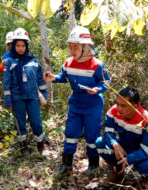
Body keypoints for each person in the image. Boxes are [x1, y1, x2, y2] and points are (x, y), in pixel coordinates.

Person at [44, 26, 111, 177]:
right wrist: (54, 78)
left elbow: (106, 82)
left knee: (92, 136)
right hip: (75, 103)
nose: (72, 50)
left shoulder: (97, 65)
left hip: (93, 104)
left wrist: (97, 89)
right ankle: (66, 165)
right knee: (70, 133)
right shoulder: (68, 62)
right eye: (70, 47)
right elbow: (64, 77)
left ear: (85, 47)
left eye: (76, 47)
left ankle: (93, 165)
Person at [95, 87, 148, 186]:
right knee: (100, 143)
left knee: (146, 166)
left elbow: (147, 149)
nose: (119, 108)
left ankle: (147, 177)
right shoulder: (113, 112)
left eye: (123, 105)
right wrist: (114, 144)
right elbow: (107, 133)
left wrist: (129, 158)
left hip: (140, 150)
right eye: (117, 104)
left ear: (135, 106)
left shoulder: (146, 120)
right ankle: (117, 174)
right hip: (123, 145)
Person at [3, 28, 48, 157]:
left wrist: (43, 95)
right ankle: (23, 147)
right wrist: (8, 101)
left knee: (36, 122)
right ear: (14, 46)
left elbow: (40, 80)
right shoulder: (9, 62)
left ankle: (41, 144)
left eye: (23, 45)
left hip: (33, 97)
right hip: (17, 98)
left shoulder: (33, 61)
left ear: (26, 46)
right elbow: (7, 84)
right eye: (18, 45)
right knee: (20, 123)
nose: (21, 48)